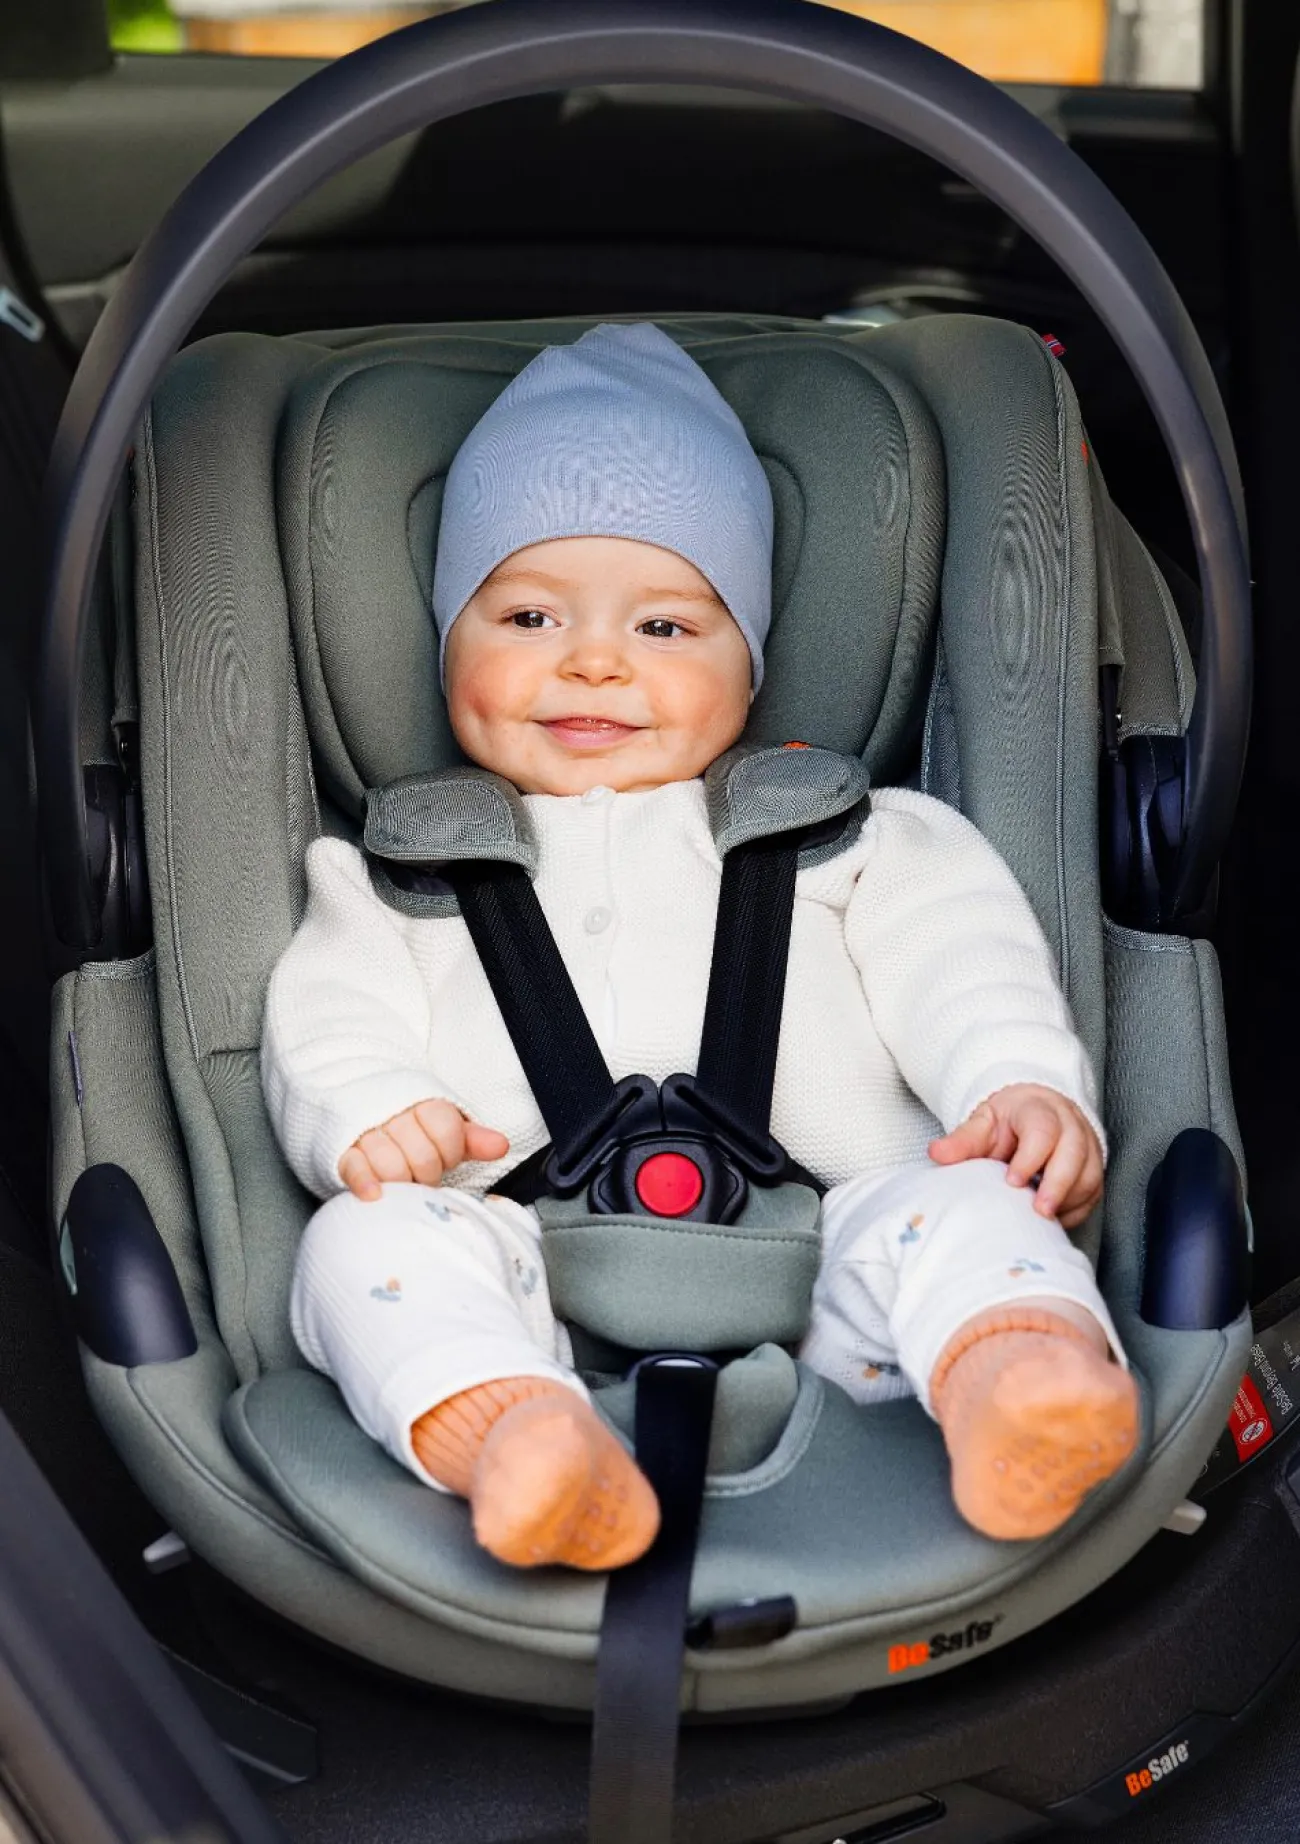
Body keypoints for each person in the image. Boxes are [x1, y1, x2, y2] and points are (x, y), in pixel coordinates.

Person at [262, 323, 1139, 1575]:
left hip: (836, 1262)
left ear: (751, 667)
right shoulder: (395, 875)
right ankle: (517, 1437)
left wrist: (1012, 1083)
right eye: (526, 613)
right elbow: (325, 1018)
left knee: (971, 1205)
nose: (594, 658)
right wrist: (369, 1108)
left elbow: (964, 962)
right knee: (362, 1247)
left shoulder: (854, 838)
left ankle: (1014, 1382)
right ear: (448, 640)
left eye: (666, 628)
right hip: (521, 1272)